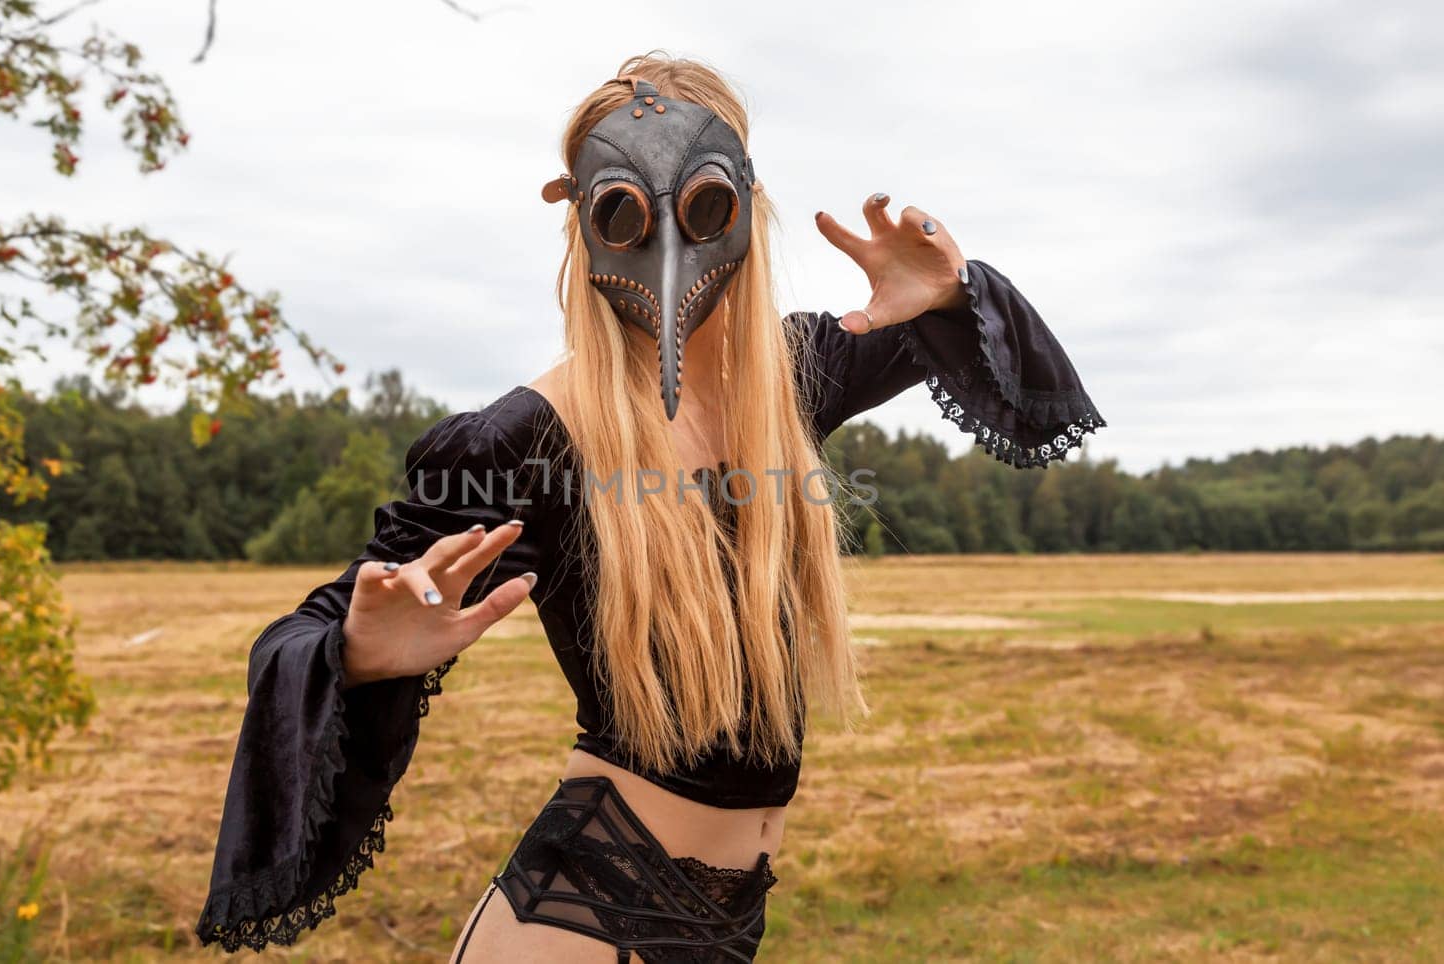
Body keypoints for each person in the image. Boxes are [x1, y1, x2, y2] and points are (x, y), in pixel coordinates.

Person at [195, 52, 1104, 962]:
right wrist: (355, 654)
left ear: (745, 204)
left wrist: (947, 295)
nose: (672, 243)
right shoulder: (527, 439)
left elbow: (1023, 397)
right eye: (627, 211)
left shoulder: (791, 378)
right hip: (583, 919)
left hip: (727, 921)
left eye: (705, 204)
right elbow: (306, 629)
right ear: (587, 224)